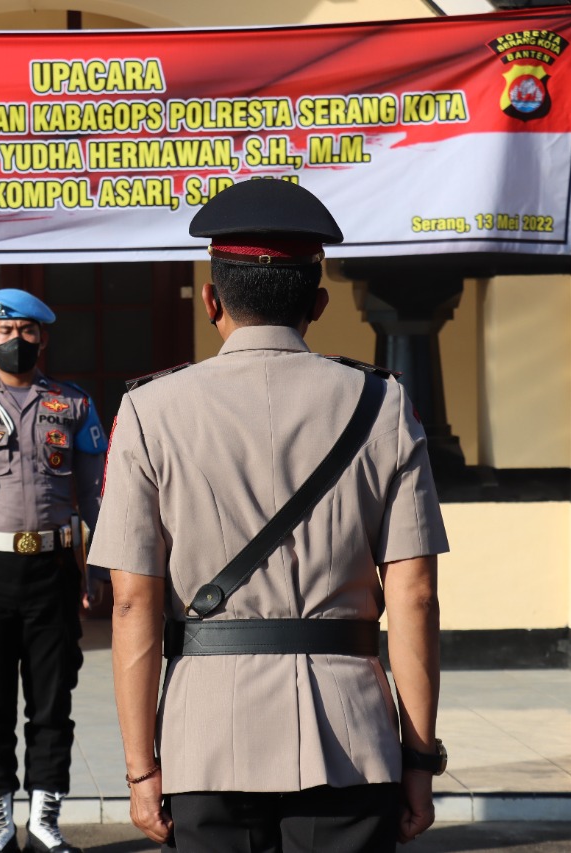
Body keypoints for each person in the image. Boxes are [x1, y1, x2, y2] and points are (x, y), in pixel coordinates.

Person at [90, 179, 448, 852]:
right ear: (318, 303)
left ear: (211, 300)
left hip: (206, 736)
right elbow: (416, 595)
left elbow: (134, 602)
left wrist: (141, 768)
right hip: (351, 734)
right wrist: (421, 758)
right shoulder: (384, 404)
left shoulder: (148, 409)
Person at [0, 289, 107, 853]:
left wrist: (100, 569)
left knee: (52, 702)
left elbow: (95, 495)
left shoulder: (72, 403)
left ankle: (44, 822)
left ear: (43, 338)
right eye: (6, 331)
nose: (17, 340)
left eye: (28, 331)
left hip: (53, 570)